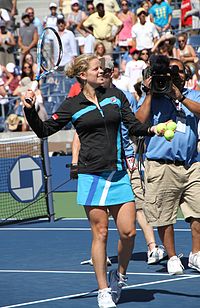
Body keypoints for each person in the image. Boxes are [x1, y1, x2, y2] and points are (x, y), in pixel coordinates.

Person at [23, 54, 161, 308]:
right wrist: (29, 110)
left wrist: (154, 129)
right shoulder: (72, 105)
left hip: (118, 174)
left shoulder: (116, 96)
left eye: (103, 68)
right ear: (83, 75)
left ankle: (119, 275)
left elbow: (133, 126)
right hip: (91, 176)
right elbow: (43, 131)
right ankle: (103, 289)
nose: (102, 71)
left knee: (129, 232)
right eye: (97, 68)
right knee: (101, 233)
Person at [135, 55, 200, 275]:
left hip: (191, 163)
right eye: (171, 71)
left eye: (179, 71)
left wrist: (180, 97)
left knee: (198, 211)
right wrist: (150, 92)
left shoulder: (193, 96)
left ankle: (196, 255)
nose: (175, 75)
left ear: (186, 75)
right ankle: (172, 257)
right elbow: (137, 123)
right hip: (161, 165)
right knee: (164, 214)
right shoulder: (154, 97)